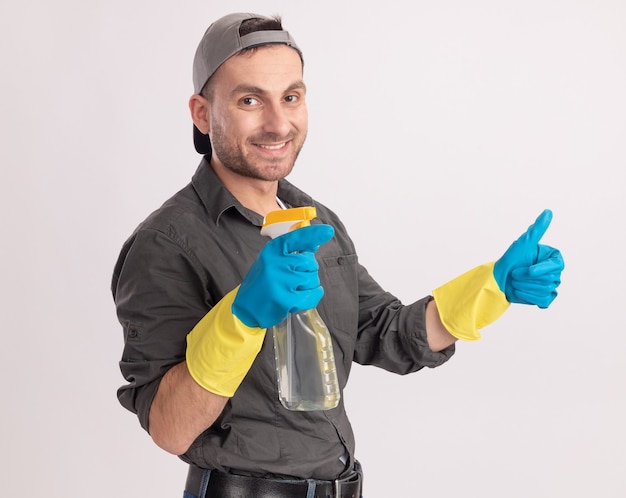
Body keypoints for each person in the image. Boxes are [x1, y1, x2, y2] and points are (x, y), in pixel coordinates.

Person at [111, 12, 564, 498]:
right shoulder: (167, 243)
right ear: (202, 113)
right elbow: (168, 426)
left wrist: (492, 287)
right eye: (249, 100)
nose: (278, 123)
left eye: (291, 97)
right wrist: (241, 318)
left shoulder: (313, 222)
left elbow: (386, 334)